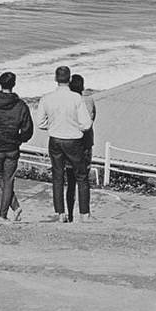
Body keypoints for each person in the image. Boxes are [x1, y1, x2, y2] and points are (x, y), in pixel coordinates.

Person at [36, 66, 93, 222]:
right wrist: (75, 127)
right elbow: (86, 124)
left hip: (55, 139)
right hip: (73, 140)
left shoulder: (47, 98)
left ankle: (60, 213)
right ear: (69, 79)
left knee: (58, 176)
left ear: (55, 79)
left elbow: (40, 123)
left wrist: (53, 125)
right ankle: (84, 214)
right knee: (81, 176)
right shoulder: (76, 98)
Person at [0, 72, 33, 221]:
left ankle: (4, 214)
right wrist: (18, 140)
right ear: (14, 84)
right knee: (8, 180)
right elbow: (28, 130)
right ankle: (14, 208)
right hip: (12, 148)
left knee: (1, 179)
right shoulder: (21, 105)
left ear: (0, 83)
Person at [65, 74, 96, 222]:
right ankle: (85, 213)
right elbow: (91, 118)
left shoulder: (68, 101)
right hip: (85, 144)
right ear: (82, 86)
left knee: (70, 182)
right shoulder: (88, 100)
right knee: (83, 180)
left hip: (70, 143)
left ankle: (70, 214)